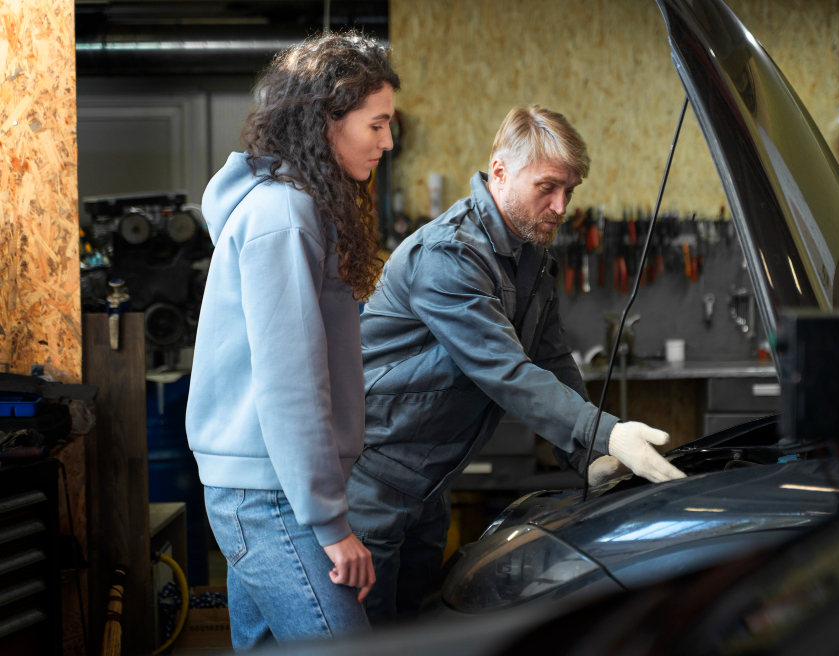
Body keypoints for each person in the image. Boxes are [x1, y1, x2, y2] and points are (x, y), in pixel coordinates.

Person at [346, 104, 686, 622]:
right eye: (547, 187)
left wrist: (586, 454)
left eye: (570, 192)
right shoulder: (448, 255)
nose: (560, 205)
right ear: (500, 171)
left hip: (430, 483)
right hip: (372, 478)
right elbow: (504, 370)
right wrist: (610, 432)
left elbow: (549, 357)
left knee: (410, 633)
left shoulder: (530, 254)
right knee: (365, 637)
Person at [186, 32, 397, 648]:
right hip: (270, 497)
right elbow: (291, 383)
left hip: (264, 486)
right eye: (376, 123)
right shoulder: (284, 216)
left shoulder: (295, 207)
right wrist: (331, 524)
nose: (387, 141)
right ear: (327, 119)